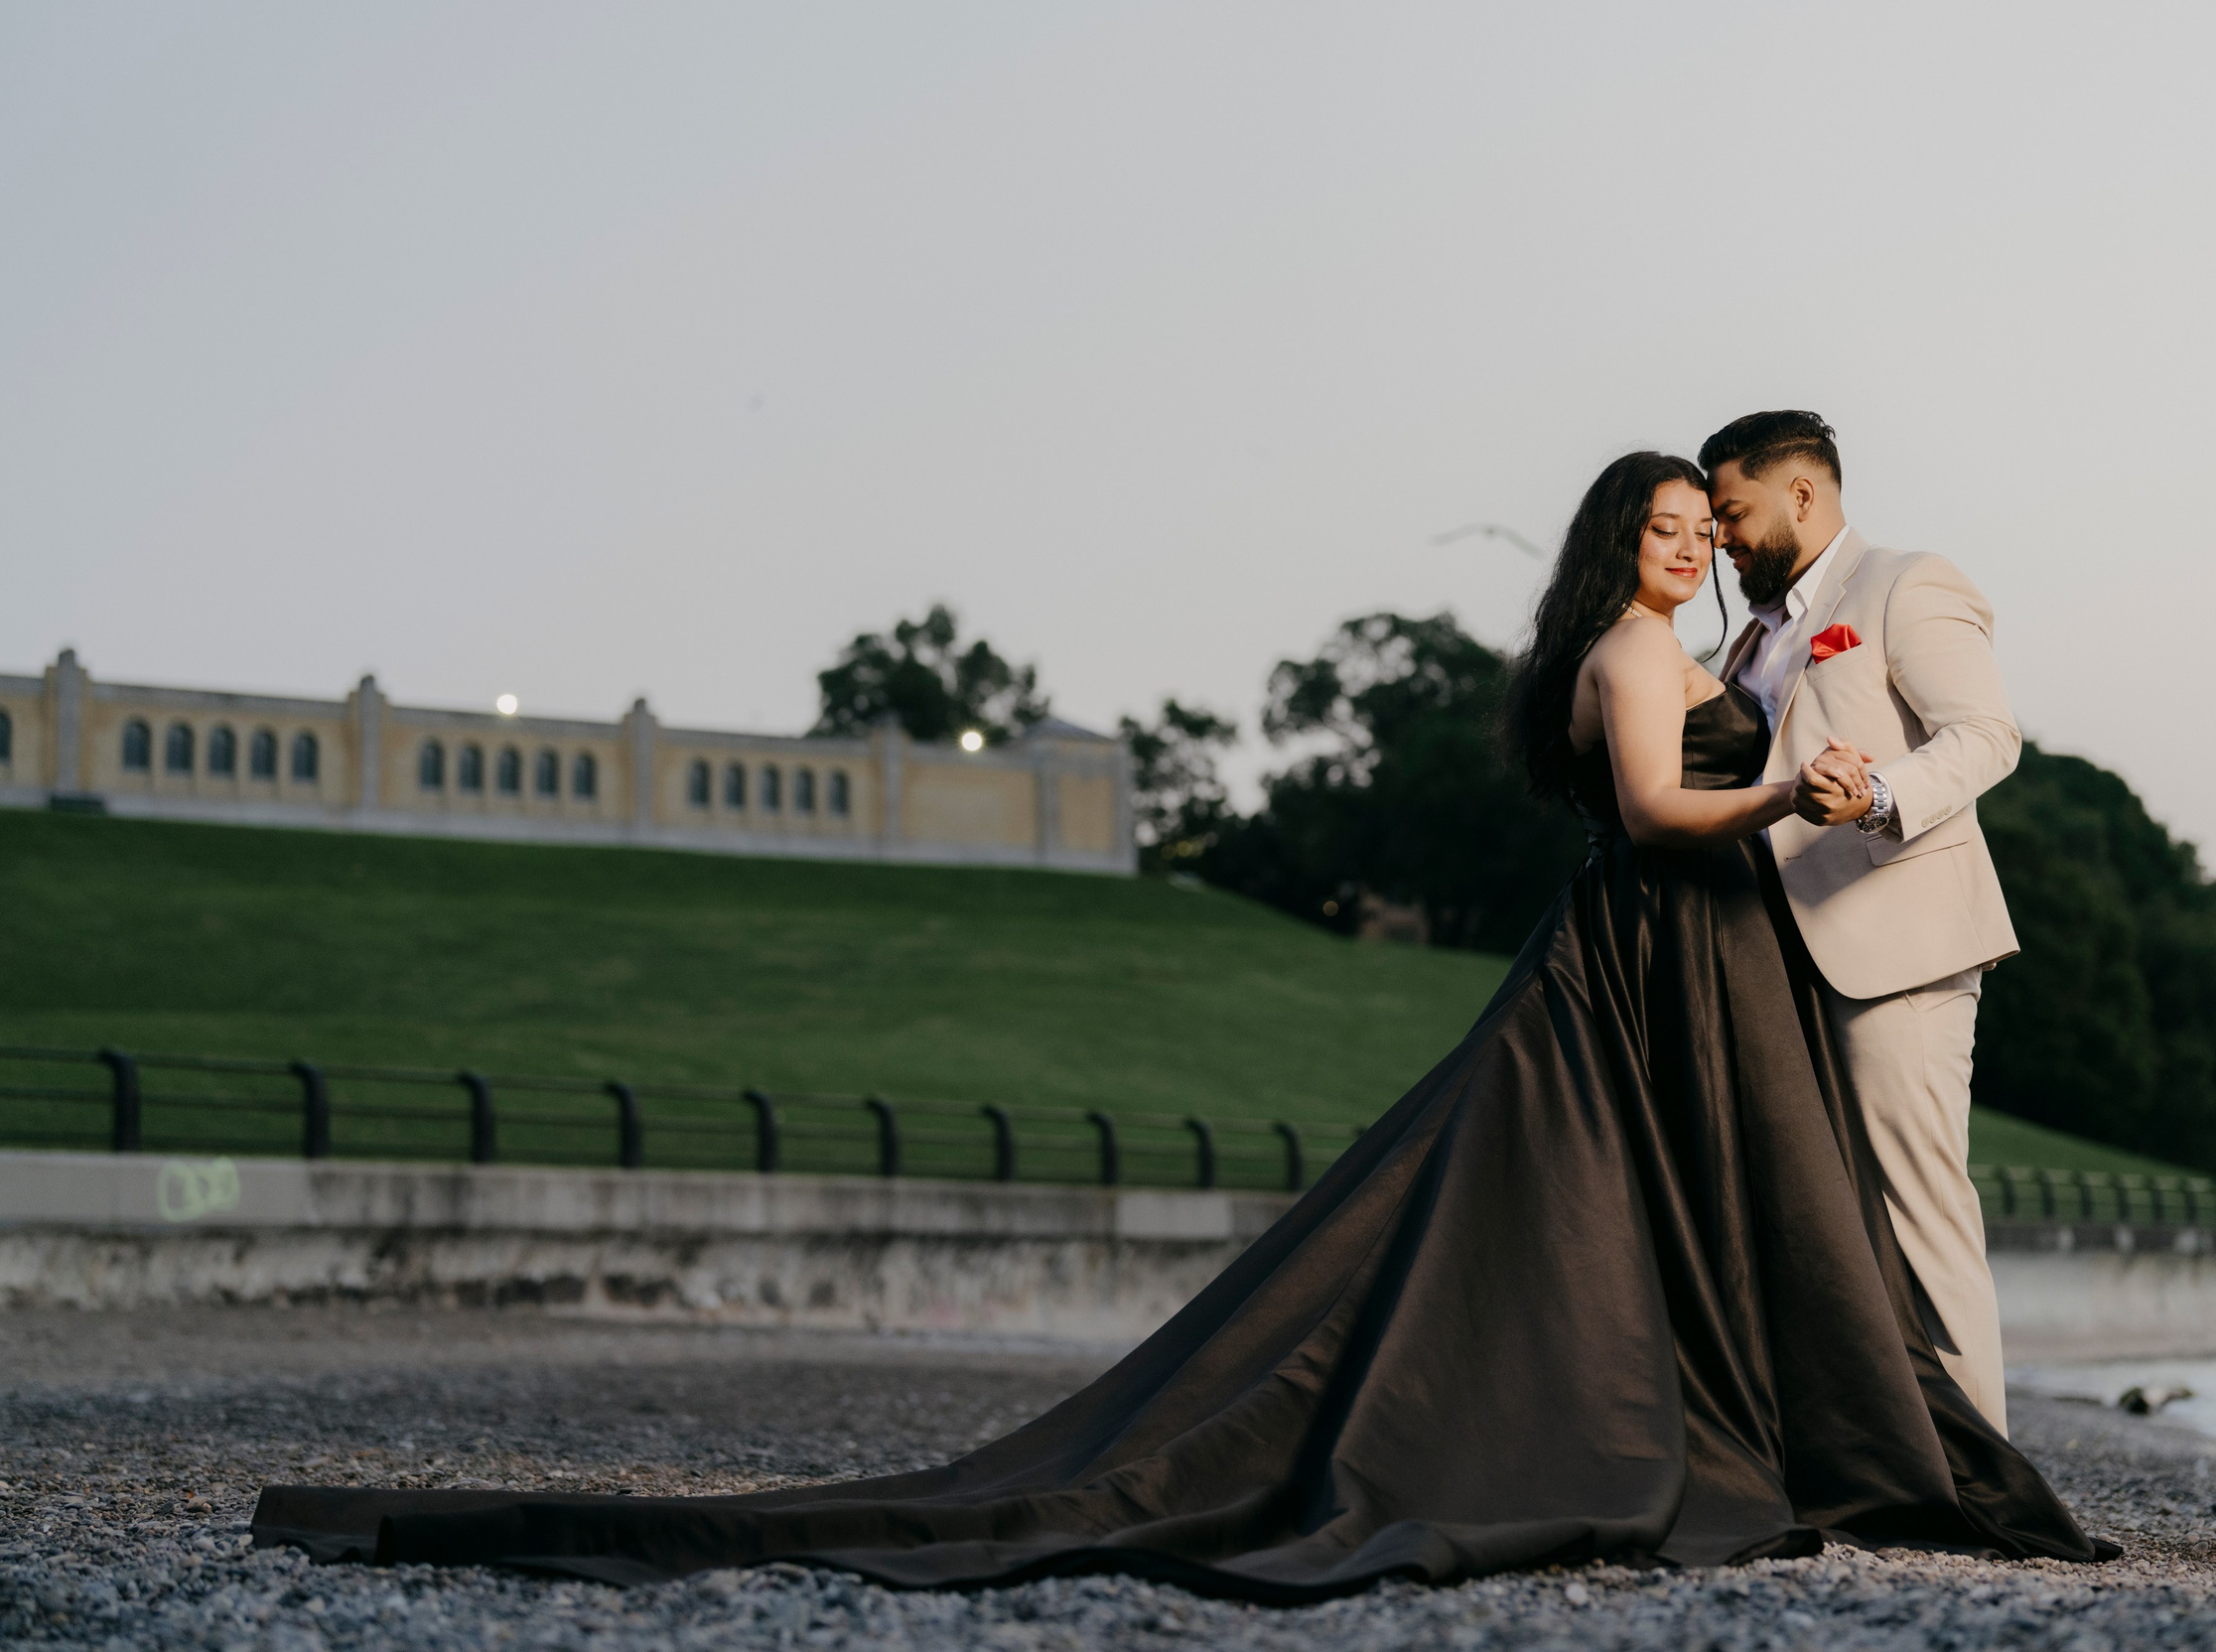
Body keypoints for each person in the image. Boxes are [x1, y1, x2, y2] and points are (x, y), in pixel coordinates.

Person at [253, 450, 2108, 1600]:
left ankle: (1809, 1427)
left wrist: (1808, 759)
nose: (1690, 545)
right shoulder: (1636, 657)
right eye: (1664, 521)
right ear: (1615, 541)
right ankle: (1716, 1431)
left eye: (1704, 525)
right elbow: (1646, 814)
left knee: (1705, 1214)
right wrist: (1789, 798)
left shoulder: (1709, 643)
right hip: (1659, 941)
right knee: (1590, 1217)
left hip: (1714, 965)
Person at [1700, 409, 2024, 1432]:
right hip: (1763, 959)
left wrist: (1876, 794)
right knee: (1810, 1216)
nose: (1721, 538)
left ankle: (1981, 1473)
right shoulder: (1742, 636)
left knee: (1918, 1208)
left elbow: (1986, 735)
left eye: (1732, 511)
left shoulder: (1904, 582)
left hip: (1893, 945)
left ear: (1801, 493)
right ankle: (1864, 1451)